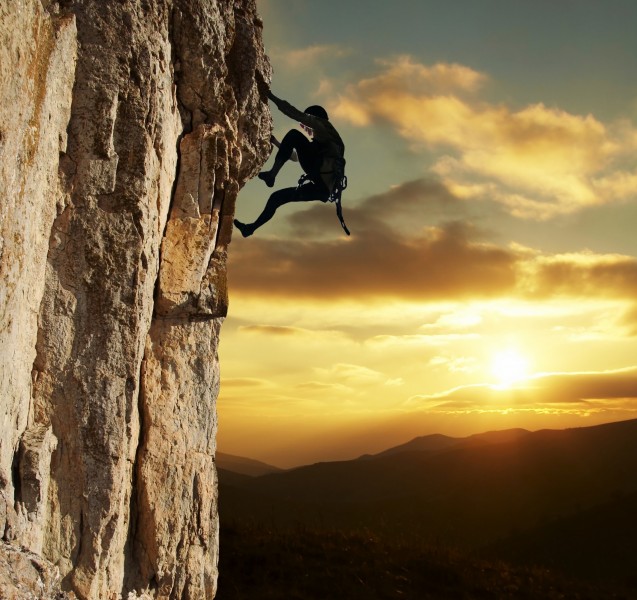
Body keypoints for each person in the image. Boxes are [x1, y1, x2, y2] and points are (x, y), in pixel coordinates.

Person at [233, 87, 346, 237]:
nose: (306, 128)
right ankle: (250, 228)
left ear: (314, 118)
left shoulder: (322, 125)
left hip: (319, 180)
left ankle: (272, 174)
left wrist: (270, 95)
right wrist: (276, 143)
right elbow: (295, 157)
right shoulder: (326, 142)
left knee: (294, 135)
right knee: (277, 198)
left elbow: (293, 113)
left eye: (307, 124)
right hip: (321, 189)